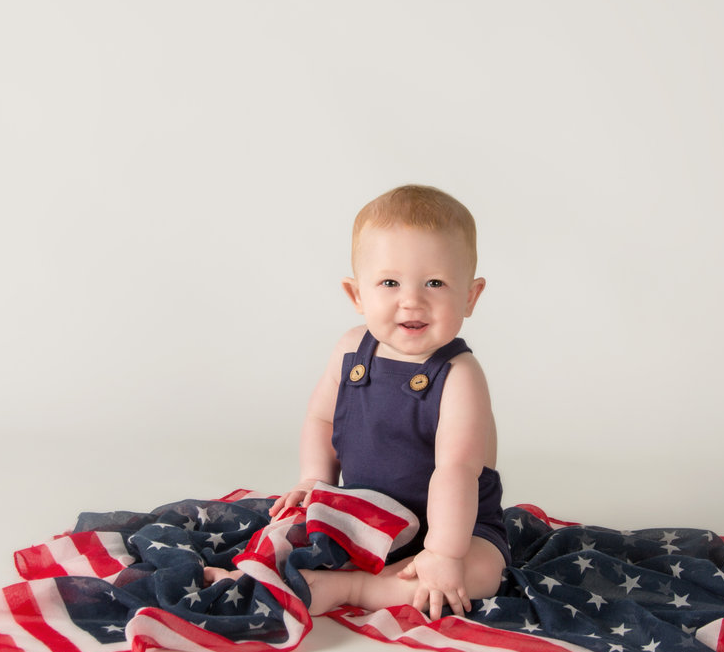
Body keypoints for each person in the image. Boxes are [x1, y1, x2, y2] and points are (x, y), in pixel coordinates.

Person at [205, 185, 509, 620]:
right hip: (368, 512)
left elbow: (456, 470)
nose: (412, 300)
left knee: (478, 573)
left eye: (435, 283)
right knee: (292, 527)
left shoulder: (459, 375)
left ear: (470, 296)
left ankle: (355, 587)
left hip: (457, 528)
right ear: (357, 295)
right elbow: (321, 418)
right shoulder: (351, 353)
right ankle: (252, 575)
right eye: (390, 282)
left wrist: (442, 552)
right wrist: (314, 477)